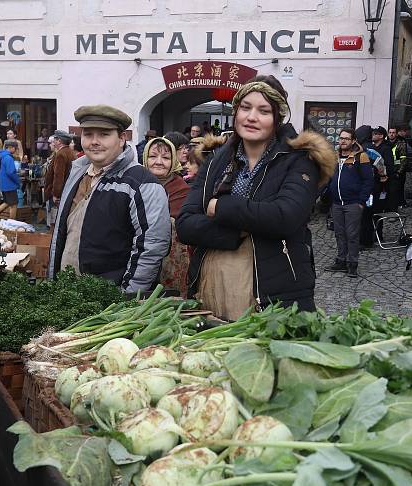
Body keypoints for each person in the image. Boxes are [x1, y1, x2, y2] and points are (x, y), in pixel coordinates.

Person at [177, 75, 334, 319]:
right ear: (236, 112)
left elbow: (286, 217)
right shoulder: (215, 159)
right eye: (245, 108)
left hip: (274, 285)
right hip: (213, 279)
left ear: (276, 119)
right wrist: (242, 229)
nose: (252, 117)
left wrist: (221, 208)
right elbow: (186, 225)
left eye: (264, 111)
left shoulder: (300, 161)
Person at [47, 105, 171, 293]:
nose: (94, 142)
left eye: (104, 134)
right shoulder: (77, 173)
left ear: (121, 138)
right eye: (88, 134)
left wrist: (126, 300)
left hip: (109, 302)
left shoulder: (142, 184)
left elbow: (151, 248)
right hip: (68, 291)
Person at [143, 136, 191, 294]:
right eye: (152, 156)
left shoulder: (180, 188)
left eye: (165, 157)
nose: (158, 162)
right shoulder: (137, 184)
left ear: (173, 161)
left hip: (171, 262)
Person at [326, 129, 374, 277]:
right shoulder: (334, 156)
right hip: (336, 203)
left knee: (352, 235)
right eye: (341, 138)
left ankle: (352, 264)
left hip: (353, 203)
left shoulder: (361, 156)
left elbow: (368, 180)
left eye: (346, 139)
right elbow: (329, 177)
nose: (343, 141)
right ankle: (341, 260)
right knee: (339, 234)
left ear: (353, 141)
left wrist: (361, 201)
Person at [44, 130, 76, 226]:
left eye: (55, 139)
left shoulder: (61, 154)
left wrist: (56, 194)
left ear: (59, 141)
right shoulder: (70, 152)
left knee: (55, 222)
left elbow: (59, 176)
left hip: (60, 193)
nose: (53, 142)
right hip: (66, 190)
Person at [0, 139, 20, 219]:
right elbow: (11, 172)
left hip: (3, 184)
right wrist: (17, 181)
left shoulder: (1, 156)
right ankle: (12, 222)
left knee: (7, 202)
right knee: (14, 204)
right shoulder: (8, 158)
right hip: (10, 184)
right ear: (10, 147)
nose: (16, 150)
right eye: (15, 148)